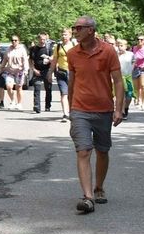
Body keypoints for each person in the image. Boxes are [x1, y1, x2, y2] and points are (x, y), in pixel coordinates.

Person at [66, 15, 124, 214]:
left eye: (79, 28)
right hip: (80, 109)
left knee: (102, 151)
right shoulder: (72, 53)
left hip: (104, 110)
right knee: (83, 151)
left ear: (90, 30)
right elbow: (72, 83)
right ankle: (88, 197)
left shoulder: (108, 51)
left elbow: (117, 81)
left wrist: (118, 108)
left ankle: (99, 187)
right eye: (74, 28)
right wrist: (70, 110)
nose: (75, 31)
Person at [49, 27, 75, 121]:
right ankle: (65, 114)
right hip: (61, 72)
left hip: (72, 72)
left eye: (66, 34)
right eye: (63, 34)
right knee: (64, 93)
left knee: (72, 94)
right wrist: (50, 72)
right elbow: (54, 60)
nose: (64, 36)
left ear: (70, 35)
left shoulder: (74, 45)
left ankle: (72, 112)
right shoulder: (58, 47)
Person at [0, 34, 29, 110]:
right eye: (12, 40)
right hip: (10, 70)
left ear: (18, 41)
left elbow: (25, 60)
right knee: (9, 87)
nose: (14, 42)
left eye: (15, 40)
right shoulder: (8, 49)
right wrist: (1, 68)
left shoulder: (22, 49)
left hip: (19, 71)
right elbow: (5, 60)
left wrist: (26, 70)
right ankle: (12, 101)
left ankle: (19, 103)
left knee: (19, 87)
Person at [28, 32, 54, 113]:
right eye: (41, 39)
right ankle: (37, 106)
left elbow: (53, 59)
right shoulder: (33, 49)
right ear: (38, 39)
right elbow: (30, 60)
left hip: (47, 71)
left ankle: (47, 105)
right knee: (37, 87)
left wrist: (48, 59)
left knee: (48, 88)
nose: (42, 41)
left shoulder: (48, 49)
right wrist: (34, 69)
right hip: (37, 70)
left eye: (44, 39)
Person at [131, 34, 144, 112]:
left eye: (141, 39)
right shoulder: (134, 48)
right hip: (135, 68)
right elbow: (132, 58)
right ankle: (139, 99)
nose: (139, 41)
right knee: (137, 87)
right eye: (138, 39)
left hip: (143, 68)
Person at [115, 38, 134, 118]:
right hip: (119, 77)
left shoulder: (131, 54)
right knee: (120, 95)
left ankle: (126, 108)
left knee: (129, 96)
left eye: (121, 45)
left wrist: (132, 69)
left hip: (128, 77)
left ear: (126, 46)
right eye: (118, 45)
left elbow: (134, 62)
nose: (120, 47)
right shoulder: (115, 54)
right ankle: (121, 111)